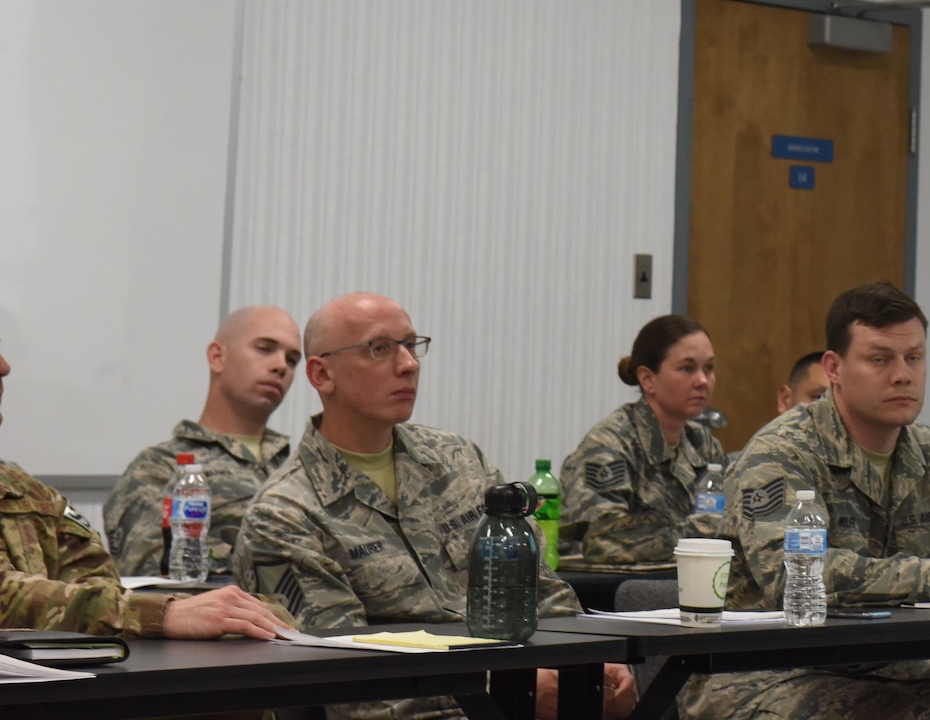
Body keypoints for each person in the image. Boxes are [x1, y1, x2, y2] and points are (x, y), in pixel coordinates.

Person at [680, 282, 930, 720]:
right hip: (759, 673)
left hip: (883, 666)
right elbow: (794, 578)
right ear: (834, 368)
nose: (903, 374)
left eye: (914, 358)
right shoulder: (781, 452)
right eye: (880, 359)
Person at [232, 293, 635, 720]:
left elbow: (544, 593)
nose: (408, 364)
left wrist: (597, 666)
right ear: (322, 374)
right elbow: (344, 680)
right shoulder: (284, 515)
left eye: (411, 345)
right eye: (380, 348)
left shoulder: (460, 461)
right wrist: (510, 687)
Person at [0, 346, 292, 639]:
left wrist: (225, 612)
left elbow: (98, 587)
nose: (4, 367)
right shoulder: (157, 469)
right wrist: (162, 615)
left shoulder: (30, 494)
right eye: (264, 348)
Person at [104, 304, 301, 577]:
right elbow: (155, 572)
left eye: (292, 360)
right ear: (217, 356)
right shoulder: (159, 469)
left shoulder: (300, 468)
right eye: (265, 349)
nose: (281, 366)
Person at [559, 314, 728, 564]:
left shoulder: (702, 443)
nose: (703, 381)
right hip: (610, 591)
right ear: (648, 379)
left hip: (684, 580)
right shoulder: (610, 443)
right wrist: (698, 537)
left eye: (709, 368)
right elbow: (604, 540)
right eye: (687, 369)